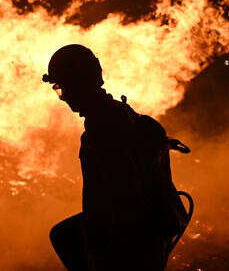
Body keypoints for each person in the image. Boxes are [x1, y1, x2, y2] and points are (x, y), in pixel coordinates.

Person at [44, 44, 188, 271]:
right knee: (64, 234)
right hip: (155, 227)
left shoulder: (102, 127)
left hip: (133, 240)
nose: (63, 97)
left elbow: (124, 195)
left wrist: (100, 253)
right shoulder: (122, 113)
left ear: (78, 84)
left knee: (65, 236)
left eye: (63, 88)